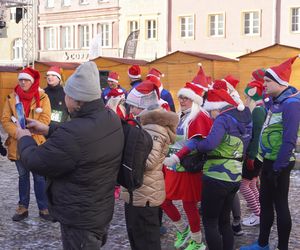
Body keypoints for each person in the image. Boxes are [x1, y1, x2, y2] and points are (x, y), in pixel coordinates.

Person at [15, 61, 124, 249]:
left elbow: (36, 161)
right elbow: (83, 140)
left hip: (79, 218)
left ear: (79, 101)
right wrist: (48, 129)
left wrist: (24, 138)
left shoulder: (74, 132)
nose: (66, 100)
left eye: (69, 96)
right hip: (99, 210)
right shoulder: (110, 118)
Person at [165, 88, 252, 250]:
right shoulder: (238, 121)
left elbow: (209, 144)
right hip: (234, 176)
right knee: (224, 221)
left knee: (211, 222)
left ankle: (199, 243)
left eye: (211, 110)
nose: (209, 114)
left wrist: (199, 144)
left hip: (217, 176)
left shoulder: (221, 119)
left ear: (216, 108)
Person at [241, 56, 300, 250]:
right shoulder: (275, 101)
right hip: (267, 160)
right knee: (265, 203)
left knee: (280, 205)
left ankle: (283, 247)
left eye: (267, 81)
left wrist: (278, 167)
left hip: (280, 163)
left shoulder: (291, 103)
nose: (263, 84)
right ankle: (263, 243)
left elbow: (289, 139)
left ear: (280, 82)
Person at [121, 80, 178, 250]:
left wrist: (122, 158)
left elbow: (149, 162)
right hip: (138, 191)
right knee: (137, 237)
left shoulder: (154, 128)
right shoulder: (145, 125)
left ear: (144, 106)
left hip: (145, 193)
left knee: (146, 240)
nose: (131, 110)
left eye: (134, 106)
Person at [161, 75, 212, 250]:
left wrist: (176, 156)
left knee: (189, 204)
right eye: (181, 97)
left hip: (188, 167)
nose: (182, 100)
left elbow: (196, 141)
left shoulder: (200, 116)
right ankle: (183, 229)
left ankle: (197, 242)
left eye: (186, 97)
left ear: (195, 99)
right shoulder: (181, 115)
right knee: (163, 199)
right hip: (172, 166)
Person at [1, 67, 52, 222]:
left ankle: (44, 208)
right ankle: (23, 208)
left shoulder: (43, 98)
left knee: (39, 178)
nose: (23, 82)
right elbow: (5, 120)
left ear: (32, 81)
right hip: (18, 144)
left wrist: (30, 132)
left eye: (26, 80)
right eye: (21, 80)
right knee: (23, 177)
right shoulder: (11, 98)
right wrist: (18, 133)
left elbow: (45, 119)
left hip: (37, 144)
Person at [240, 80, 267, 227]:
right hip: (257, 155)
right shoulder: (260, 108)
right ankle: (260, 212)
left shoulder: (257, 110)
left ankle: (258, 214)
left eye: (246, 97)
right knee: (251, 185)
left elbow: (256, 135)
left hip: (254, 155)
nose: (245, 100)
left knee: (244, 186)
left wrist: (251, 156)